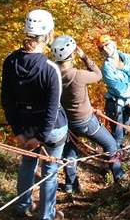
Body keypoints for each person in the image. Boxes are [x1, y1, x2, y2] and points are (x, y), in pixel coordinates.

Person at [0, 9, 68, 220]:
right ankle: (46, 217)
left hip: (25, 125)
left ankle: (22, 206)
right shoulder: (50, 69)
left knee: (28, 164)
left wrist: (19, 131)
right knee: (50, 170)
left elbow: (7, 100)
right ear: (48, 35)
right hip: (51, 128)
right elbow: (52, 108)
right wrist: (42, 136)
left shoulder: (10, 62)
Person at [50, 35, 125, 193]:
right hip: (85, 120)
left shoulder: (52, 75)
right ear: (71, 55)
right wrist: (84, 57)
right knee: (110, 145)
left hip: (65, 121)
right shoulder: (78, 75)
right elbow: (98, 74)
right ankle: (120, 177)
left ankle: (71, 185)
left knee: (70, 152)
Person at [97, 35, 130, 148]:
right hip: (114, 104)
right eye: (101, 48)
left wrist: (124, 68)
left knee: (126, 131)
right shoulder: (106, 68)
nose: (105, 49)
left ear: (114, 43)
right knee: (117, 135)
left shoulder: (129, 58)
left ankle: (120, 154)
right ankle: (114, 160)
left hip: (129, 103)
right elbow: (122, 91)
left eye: (106, 45)